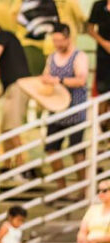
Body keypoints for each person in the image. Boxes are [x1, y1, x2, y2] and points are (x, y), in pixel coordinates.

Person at [43, 25, 89, 192]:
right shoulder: (52, 57)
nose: (57, 44)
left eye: (59, 40)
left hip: (75, 109)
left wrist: (58, 80)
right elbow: (46, 76)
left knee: (77, 150)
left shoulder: (79, 56)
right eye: (54, 40)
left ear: (68, 38)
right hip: (56, 109)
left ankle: (84, 189)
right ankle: (61, 187)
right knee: (51, 149)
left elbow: (81, 80)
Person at [0, 23, 30, 168]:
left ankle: (21, 164)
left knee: (11, 127)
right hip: (11, 87)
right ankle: (8, 164)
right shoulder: (8, 43)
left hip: (18, 86)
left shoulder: (4, 36)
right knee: (5, 129)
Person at [86, 0, 110, 96]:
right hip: (103, 51)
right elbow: (90, 28)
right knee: (103, 88)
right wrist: (104, 43)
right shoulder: (98, 6)